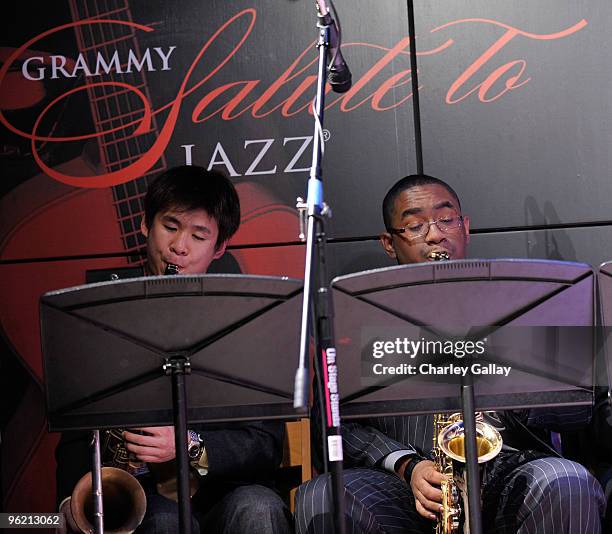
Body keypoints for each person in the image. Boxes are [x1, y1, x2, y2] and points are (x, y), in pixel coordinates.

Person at [295, 174, 605, 533]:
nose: (434, 235)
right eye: (414, 226)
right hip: (407, 483)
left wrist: (519, 379)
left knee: (566, 482)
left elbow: (581, 410)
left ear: (466, 227)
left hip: (513, 471)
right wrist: (406, 465)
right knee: (325, 497)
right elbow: (333, 425)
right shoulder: (360, 318)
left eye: (446, 220)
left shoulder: (528, 301)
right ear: (388, 243)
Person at [56, 165, 293, 533]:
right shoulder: (98, 314)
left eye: (199, 236)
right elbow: (74, 435)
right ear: (145, 226)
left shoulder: (250, 322)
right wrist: (72, 500)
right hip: (139, 493)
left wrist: (188, 446)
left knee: (258, 508)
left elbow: (264, 445)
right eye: (169, 227)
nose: (179, 247)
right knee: (163, 523)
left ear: (220, 247)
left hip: (224, 489)